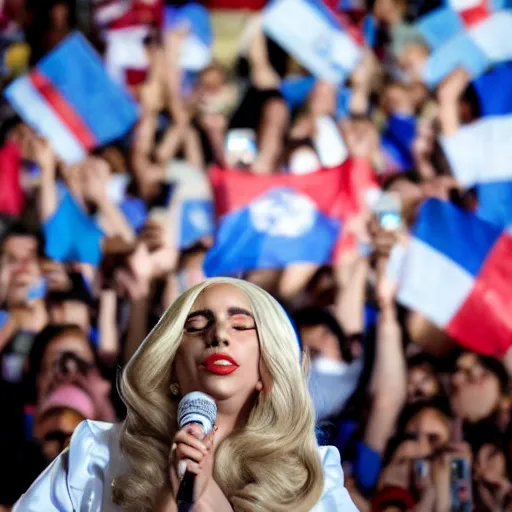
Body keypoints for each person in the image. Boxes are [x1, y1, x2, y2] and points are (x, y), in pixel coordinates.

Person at [13, 277, 358, 511]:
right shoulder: (96, 456)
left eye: (240, 325)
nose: (219, 334)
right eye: (196, 326)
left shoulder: (312, 477)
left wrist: (212, 499)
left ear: (267, 368)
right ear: (171, 365)